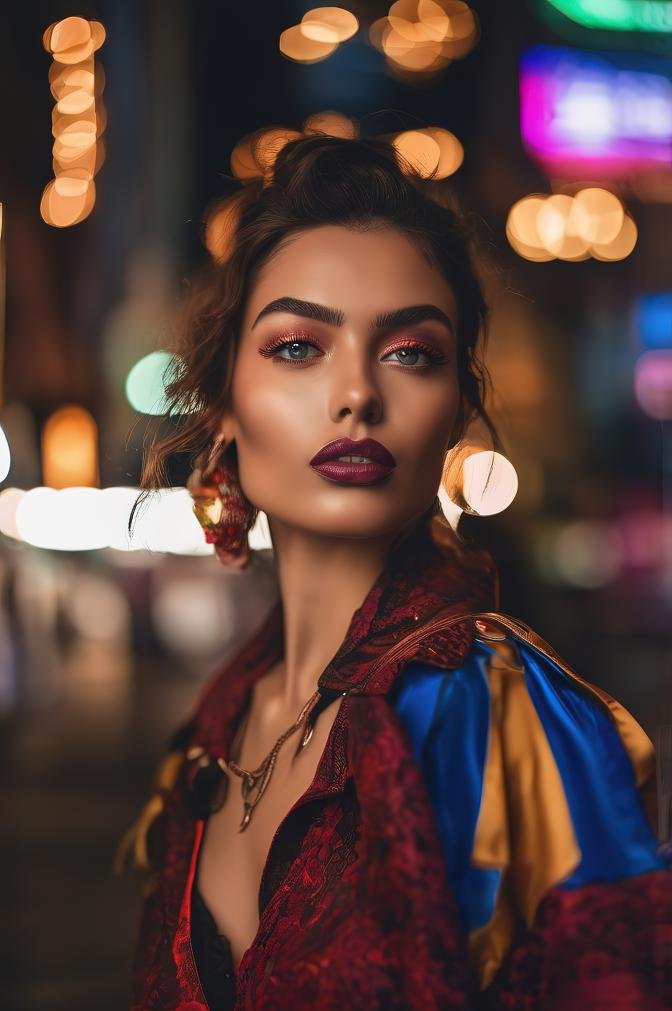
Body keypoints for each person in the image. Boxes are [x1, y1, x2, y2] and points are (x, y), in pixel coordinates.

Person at [115, 134, 672, 1010]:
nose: (358, 395)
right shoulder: (220, 717)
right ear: (222, 408)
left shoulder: (495, 711)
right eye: (298, 346)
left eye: (411, 351)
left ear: (456, 411)